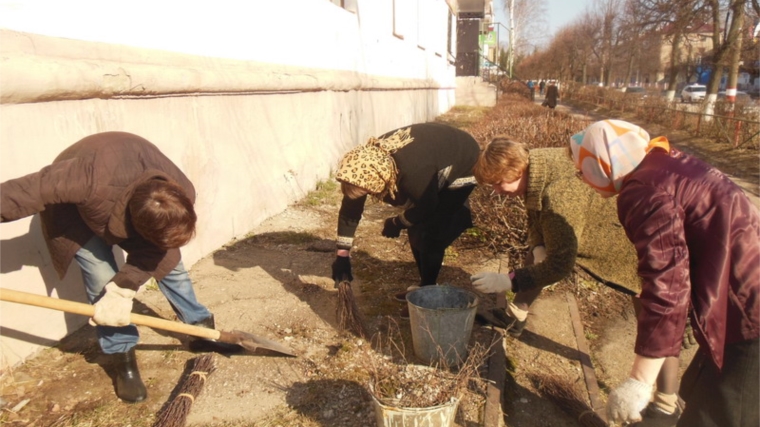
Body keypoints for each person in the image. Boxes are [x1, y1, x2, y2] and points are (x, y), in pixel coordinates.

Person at [0, 132, 240, 404]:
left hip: (131, 196)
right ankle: (122, 357)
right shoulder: (86, 176)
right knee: (101, 279)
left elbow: (156, 251)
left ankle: (201, 330)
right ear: (136, 226)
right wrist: (115, 292)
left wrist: (125, 287)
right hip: (72, 215)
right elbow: (18, 194)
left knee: (172, 266)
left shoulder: (178, 191)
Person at [470, 137, 684, 424]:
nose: (497, 191)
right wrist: (537, 247)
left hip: (629, 247)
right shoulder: (536, 166)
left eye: (499, 184)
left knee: (655, 318)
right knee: (539, 261)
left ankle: (666, 405)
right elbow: (534, 218)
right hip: (607, 231)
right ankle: (516, 315)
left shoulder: (558, 192)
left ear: (517, 170)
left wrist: (509, 280)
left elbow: (560, 265)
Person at [569, 119, 759, 426]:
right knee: (700, 393)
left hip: (748, 313)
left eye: (583, 168)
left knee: (719, 413)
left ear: (603, 161)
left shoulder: (644, 191)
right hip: (742, 298)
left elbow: (667, 285)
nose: (582, 178)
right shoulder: (663, 162)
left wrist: (639, 381)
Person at [331, 123, 479, 318]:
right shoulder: (361, 166)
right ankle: (423, 286)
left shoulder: (413, 172)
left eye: (369, 192)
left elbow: (427, 206)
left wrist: (397, 222)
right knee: (416, 225)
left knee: (432, 229)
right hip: (431, 156)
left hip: (463, 159)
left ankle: (427, 293)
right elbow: (350, 211)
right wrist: (342, 255)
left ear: (379, 180)